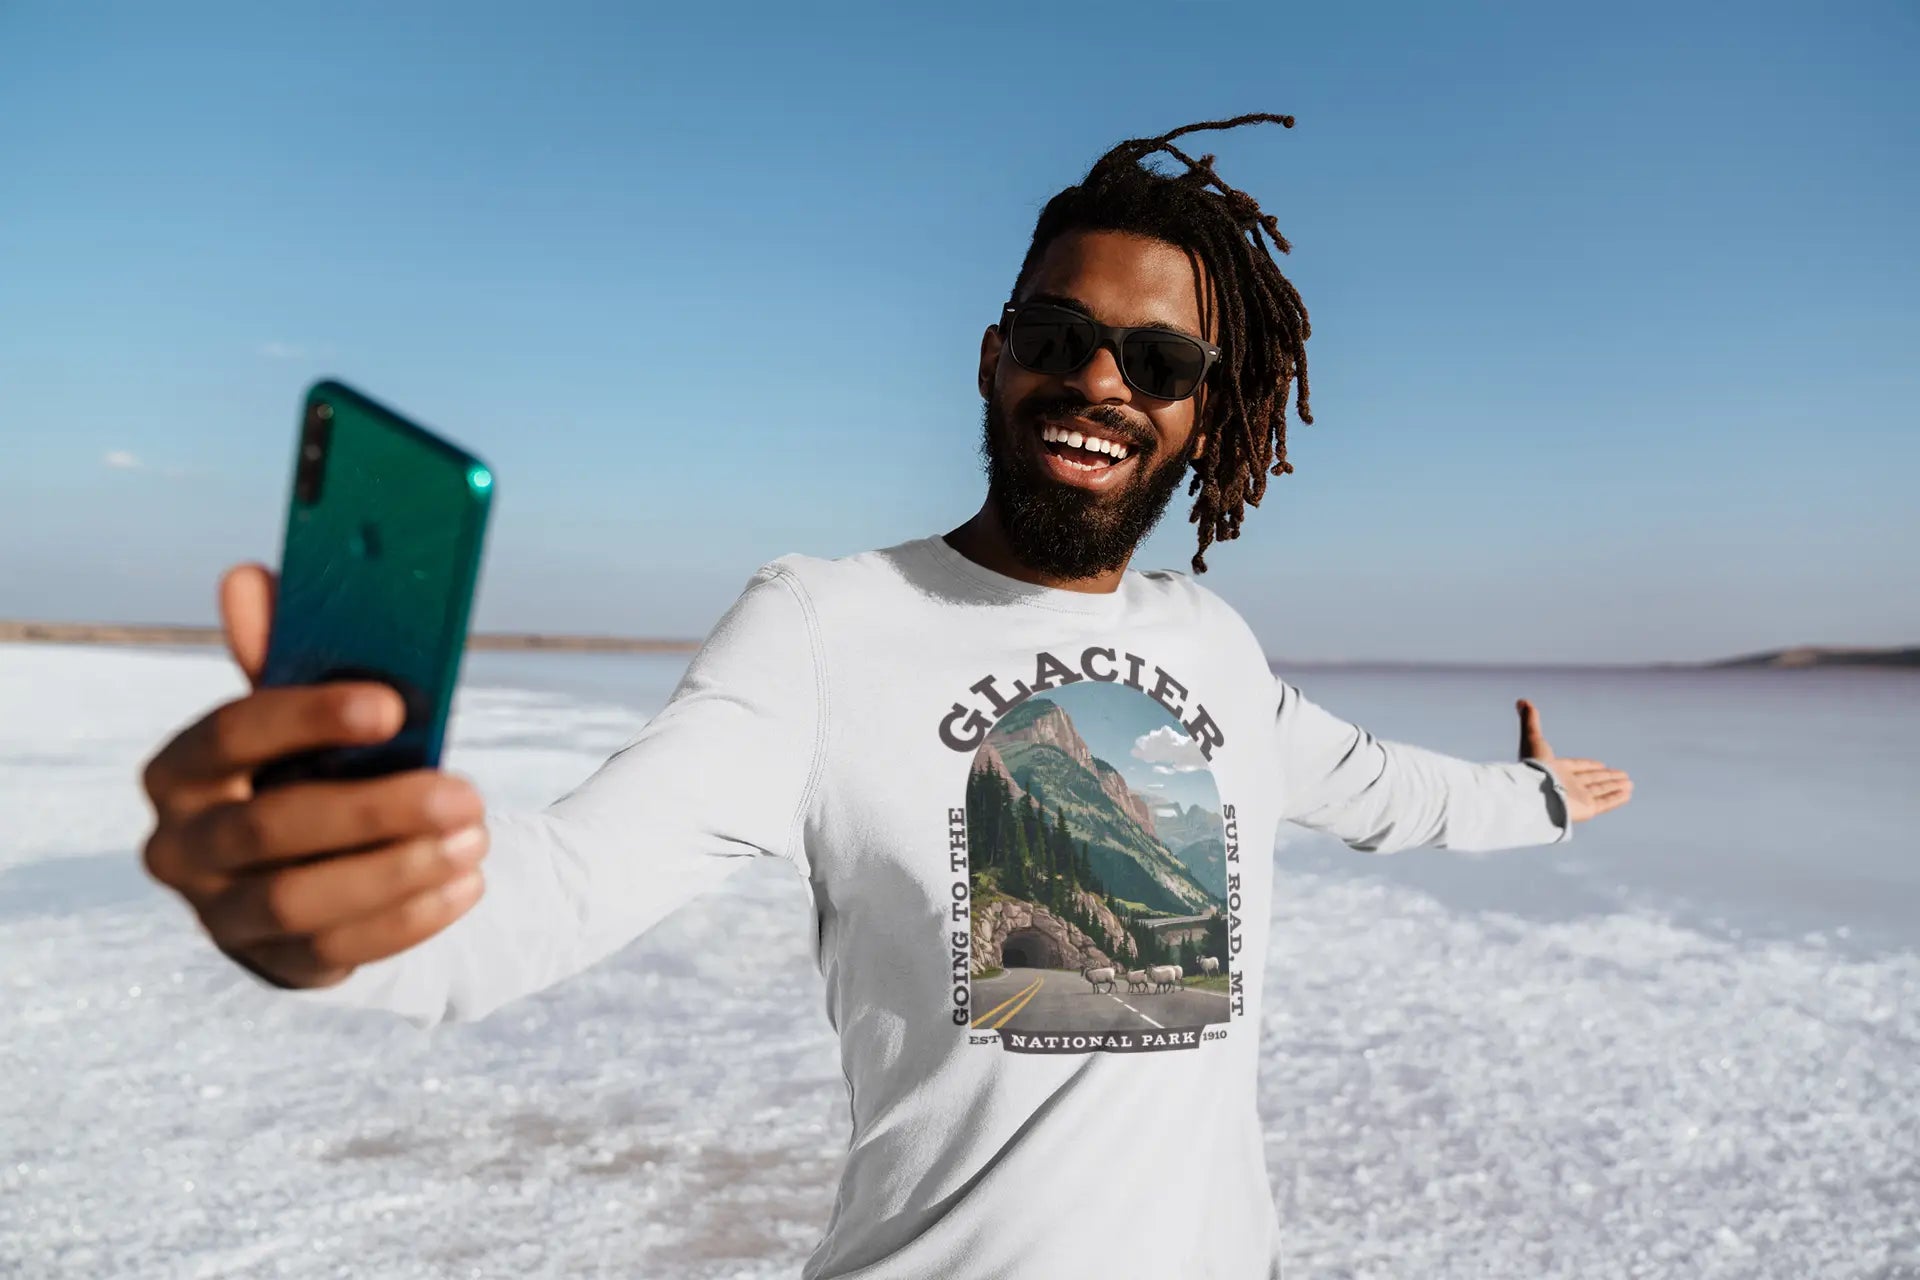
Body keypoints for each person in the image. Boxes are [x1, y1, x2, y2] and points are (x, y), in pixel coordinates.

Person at [137, 113, 1634, 1279]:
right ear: (995, 361)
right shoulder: (824, 625)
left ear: (1199, 411)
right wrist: (340, 908)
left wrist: (1544, 799)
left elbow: (1380, 787)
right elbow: (557, 889)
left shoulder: (1214, 648)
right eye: (1060, 338)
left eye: (1158, 357)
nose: (1101, 377)